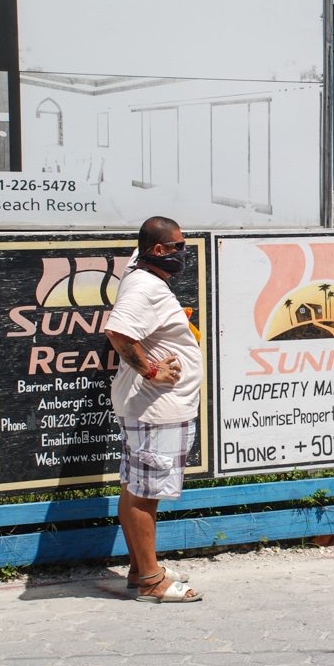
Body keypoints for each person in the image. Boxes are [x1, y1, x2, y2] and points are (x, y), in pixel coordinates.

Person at [105, 216, 203, 603]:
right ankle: (150, 581)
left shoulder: (141, 269)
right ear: (158, 250)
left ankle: (141, 568)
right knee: (146, 494)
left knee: (135, 488)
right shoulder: (143, 286)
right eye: (179, 246)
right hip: (156, 409)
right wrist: (150, 370)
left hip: (149, 409)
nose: (184, 253)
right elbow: (118, 332)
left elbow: (143, 244)